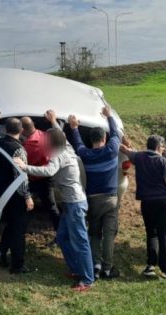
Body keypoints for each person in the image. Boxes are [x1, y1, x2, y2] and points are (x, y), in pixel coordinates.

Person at [14, 110, 93, 292]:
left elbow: (48, 171)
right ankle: (76, 269)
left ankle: (87, 279)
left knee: (80, 241)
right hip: (71, 202)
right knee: (63, 238)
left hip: (74, 204)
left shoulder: (59, 156)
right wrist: (53, 121)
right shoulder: (67, 147)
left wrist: (24, 167)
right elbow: (60, 133)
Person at [67, 106, 121, 279]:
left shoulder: (85, 154)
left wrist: (74, 128)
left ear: (91, 141)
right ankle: (107, 268)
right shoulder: (112, 150)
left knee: (95, 233)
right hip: (111, 199)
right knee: (109, 234)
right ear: (104, 138)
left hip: (92, 200)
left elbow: (78, 144)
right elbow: (116, 133)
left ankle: (96, 265)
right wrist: (109, 116)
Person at [120, 135, 166, 279]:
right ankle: (165, 268)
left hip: (147, 203)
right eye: (162, 147)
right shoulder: (163, 162)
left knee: (151, 233)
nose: (163, 149)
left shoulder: (139, 157)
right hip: (163, 203)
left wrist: (120, 139)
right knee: (164, 235)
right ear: (158, 147)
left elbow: (125, 150)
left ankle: (150, 266)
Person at [0, 118, 35, 274]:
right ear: (22, 130)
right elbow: (21, 176)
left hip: (2, 190)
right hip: (16, 194)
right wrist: (27, 197)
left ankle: (1, 252)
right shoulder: (19, 150)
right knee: (18, 229)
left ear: (5, 129)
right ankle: (17, 265)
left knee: (11, 224)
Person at [21, 116, 60, 233]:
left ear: (22, 130)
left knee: (48, 206)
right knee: (50, 205)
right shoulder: (44, 135)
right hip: (47, 178)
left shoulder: (28, 147)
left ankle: (59, 230)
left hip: (36, 178)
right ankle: (58, 229)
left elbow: (25, 164)